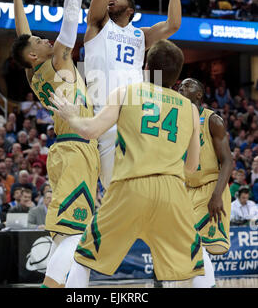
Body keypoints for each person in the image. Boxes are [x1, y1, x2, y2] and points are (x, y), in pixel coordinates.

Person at [48, 39, 204, 287]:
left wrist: (72, 117)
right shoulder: (191, 109)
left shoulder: (127, 92)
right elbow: (192, 167)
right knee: (194, 265)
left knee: (83, 258)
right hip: (172, 192)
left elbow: (91, 130)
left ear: (146, 66)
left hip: (131, 187)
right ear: (177, 76)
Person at [1, 0, 100, 288]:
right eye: (40, 41)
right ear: (35, 54)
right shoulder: (58, 58)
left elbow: (20, 37)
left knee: (68, 235)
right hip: (75, 149)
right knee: (74, 234)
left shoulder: (33, 73)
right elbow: (71, 11)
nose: (47, 39)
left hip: (67, 148)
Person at [83, 0, 192, 190]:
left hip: (137, 115)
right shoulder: (98, 25)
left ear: (130, 9)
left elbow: (173, 24)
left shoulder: (140, 36)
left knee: (140, 189)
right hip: (103, 116)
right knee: (115, 190)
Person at [178, 78, 233, 288]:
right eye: (180, 85)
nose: (182, 87)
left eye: (187, 85)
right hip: (187, 189)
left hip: (211, 187)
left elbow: (228, 160)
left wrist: (218, 195)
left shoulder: (213, 120)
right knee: (185, 249)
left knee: (194, 245)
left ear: (199, 94)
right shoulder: (176, 120)